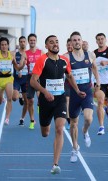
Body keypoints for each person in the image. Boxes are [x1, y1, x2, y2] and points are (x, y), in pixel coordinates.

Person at [30, 35, 86, 174]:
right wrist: (44, 91)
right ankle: (44, 123)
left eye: (56, 42)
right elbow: (33, 81)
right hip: (45, 100)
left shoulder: (64, 60)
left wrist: (77, 90)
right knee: (45, 133)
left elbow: (70, 76)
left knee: (60, 129)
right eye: (51, 42)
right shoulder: (42, 60)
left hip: (60, 99)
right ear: (46, 45)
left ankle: (55, 164)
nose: (55, 44)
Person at [64, 31, 100, 163]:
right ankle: (75, 148)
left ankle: (85, 131)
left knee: (88, 118)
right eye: (74, 40)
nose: (77, 42)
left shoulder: (90, 55)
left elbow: (94, 68)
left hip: (87, 92)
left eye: (79, 39)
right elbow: (66, 75)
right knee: (73, 123)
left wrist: (98, 82)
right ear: (71, 43)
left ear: (82, 40)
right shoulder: (66, 57)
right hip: (74, 93)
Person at [0, 37, 26, 125]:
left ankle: (7, 118)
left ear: (8, 45)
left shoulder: (12, 55)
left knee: (10, 98)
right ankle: (2, 98)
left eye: (5, 45)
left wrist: (22, 65)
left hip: (9, 78)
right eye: (2, 45)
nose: (4, 46)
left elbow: (17, 67)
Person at [24, 33, 45, 130]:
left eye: (34, 40)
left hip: (40, 77)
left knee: (40, 97)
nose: (32, 42)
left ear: (36, 41)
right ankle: (32, 120)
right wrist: (20, 65)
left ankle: (40, 104)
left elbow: (46, 64)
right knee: (30, 101)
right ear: (28, 42)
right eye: (31, 40)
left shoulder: (41, 52)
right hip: (30, 78)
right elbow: (20, 66)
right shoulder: (25, 53)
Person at [12, 36, 28, 126]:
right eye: (21, 41)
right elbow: (13, 63)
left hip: (26, 79)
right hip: (17, 79)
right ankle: (20, 95)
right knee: (14, 98)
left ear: (26, 43)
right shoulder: (15, 54)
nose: (22, 43)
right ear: (19, 42)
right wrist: (18, 70)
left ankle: (22, 118)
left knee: (26, 102)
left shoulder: (28, 54)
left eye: (24, 41)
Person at [63, 38, 73, 130]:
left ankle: (73, 119)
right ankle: (69, 121)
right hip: (67, 82)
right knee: (67, 100)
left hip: (78, 83)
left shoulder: (79, 56)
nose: (70, 46)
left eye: (71, 44)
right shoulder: (64, 56)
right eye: (68, 45)